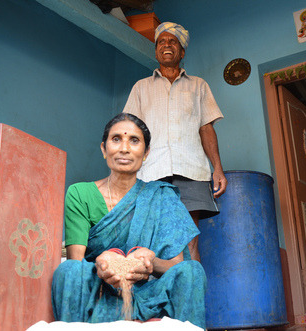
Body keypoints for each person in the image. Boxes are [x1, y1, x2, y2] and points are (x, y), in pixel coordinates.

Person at [51, 113, 206, 328]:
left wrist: (150, 263)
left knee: (192, 271)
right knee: (67, 271)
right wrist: (102, 263)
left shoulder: (162, 196)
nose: (124, 148)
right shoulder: (80, 193)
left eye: (134, 140)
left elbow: (176, 265)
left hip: (149, 292)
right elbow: (76, 262)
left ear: (146, 152)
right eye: (116, 139)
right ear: (104, 149)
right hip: (100, 287)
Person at [123, 22, 227, 261]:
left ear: (181, 52)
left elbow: (206, 127)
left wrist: (217, 168)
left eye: (173, 42)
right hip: (151, 172)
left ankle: (190, 296)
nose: (166, 45)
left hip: (191, 170)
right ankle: (160, 297)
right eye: (161, 41)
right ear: (156, 50)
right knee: (152, 240)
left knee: (190, 241)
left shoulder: (198, 85)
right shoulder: (141, 88)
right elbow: (130, 131)